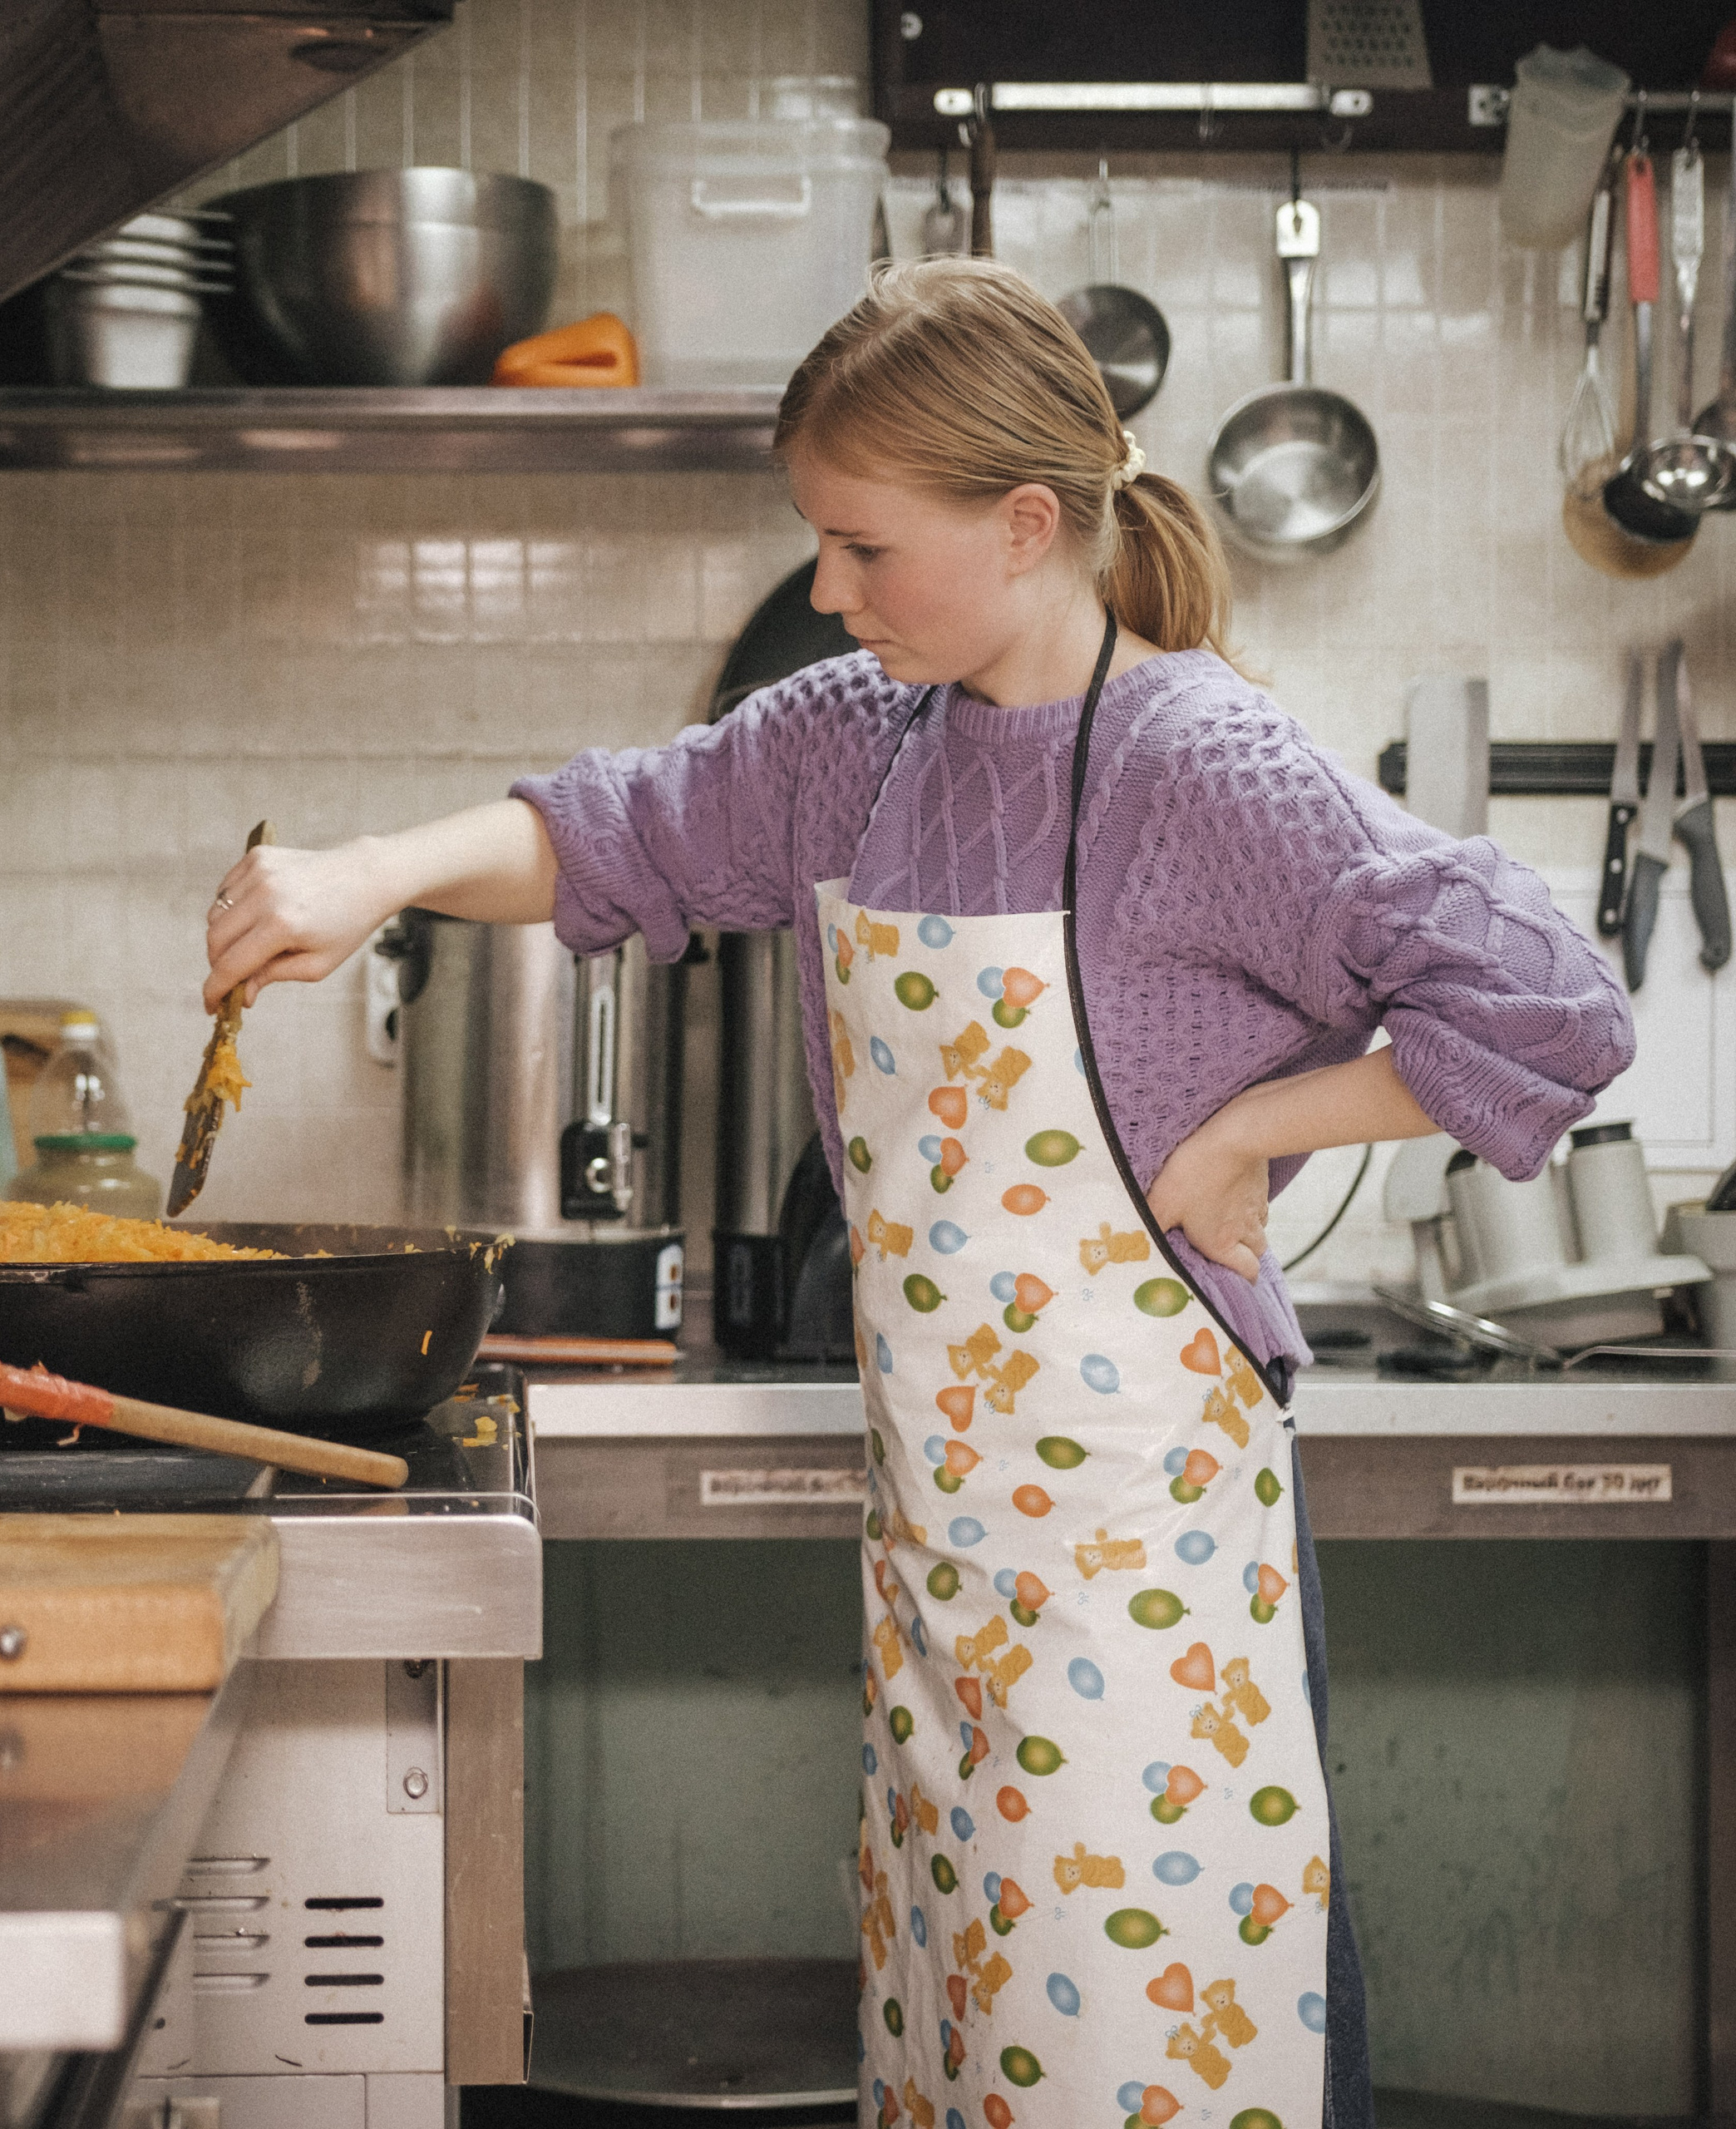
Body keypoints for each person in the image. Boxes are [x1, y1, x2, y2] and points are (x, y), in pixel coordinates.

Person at [203, 259, 1633, 2129]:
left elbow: (1551, 1001)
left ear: (1023, 523)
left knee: (1153, 2049)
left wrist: (1255, 1128)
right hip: (943, 1571)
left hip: (1138, 1573)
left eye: (860, 545)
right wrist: (367, 875)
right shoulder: (854, 743)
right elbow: (616, 827)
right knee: (971, 2041)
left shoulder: (1198, 759)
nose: (825, 590)